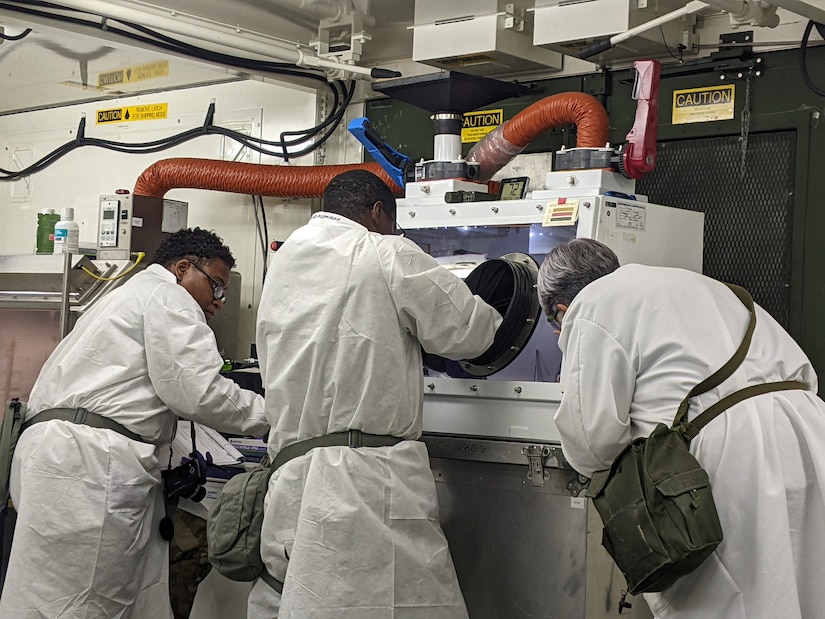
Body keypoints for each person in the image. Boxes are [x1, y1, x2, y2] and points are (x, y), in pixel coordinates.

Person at [250, 169, 502, 618]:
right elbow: (469, 332)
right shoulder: (383, 251)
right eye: (393, 222)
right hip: (363, 480)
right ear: (376, 212)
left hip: (290, 473)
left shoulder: (284, 262)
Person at [537, 237, 825, 619]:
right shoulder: (690, 283)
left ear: (561, 310)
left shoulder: (589, 308)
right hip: (807, 429)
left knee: (731, 599)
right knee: (807, 585)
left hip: (735, 454)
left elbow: (591, 444)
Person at [0, 228, 269, 619]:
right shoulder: (169, 297)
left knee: (53, 591)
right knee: (81, 601)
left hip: (59, 455)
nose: (219, 302)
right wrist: (274, 415)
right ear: (181, 268)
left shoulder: (126, 296)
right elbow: (199, 392)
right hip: (90, 464)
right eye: (215, 286)